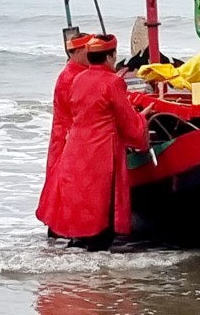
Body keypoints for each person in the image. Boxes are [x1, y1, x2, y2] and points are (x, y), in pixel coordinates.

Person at [42, 35, 154, 250]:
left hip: (76, 145)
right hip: (102, 149)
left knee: (82, 198)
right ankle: (98, 264)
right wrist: (142, 119)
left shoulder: (78, 79)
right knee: (104, 205)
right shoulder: (113, 82)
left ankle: (77, 247)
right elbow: (128, 123)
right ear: (110, 56)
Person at [36, 31, 93, 235]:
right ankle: (65, 227)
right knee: (66, 183)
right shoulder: (73, 76)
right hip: (68, 135)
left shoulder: (75, 72)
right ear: (76, 51)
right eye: (87, 50)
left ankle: (62, 226)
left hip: (67, 132)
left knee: (62, 182)